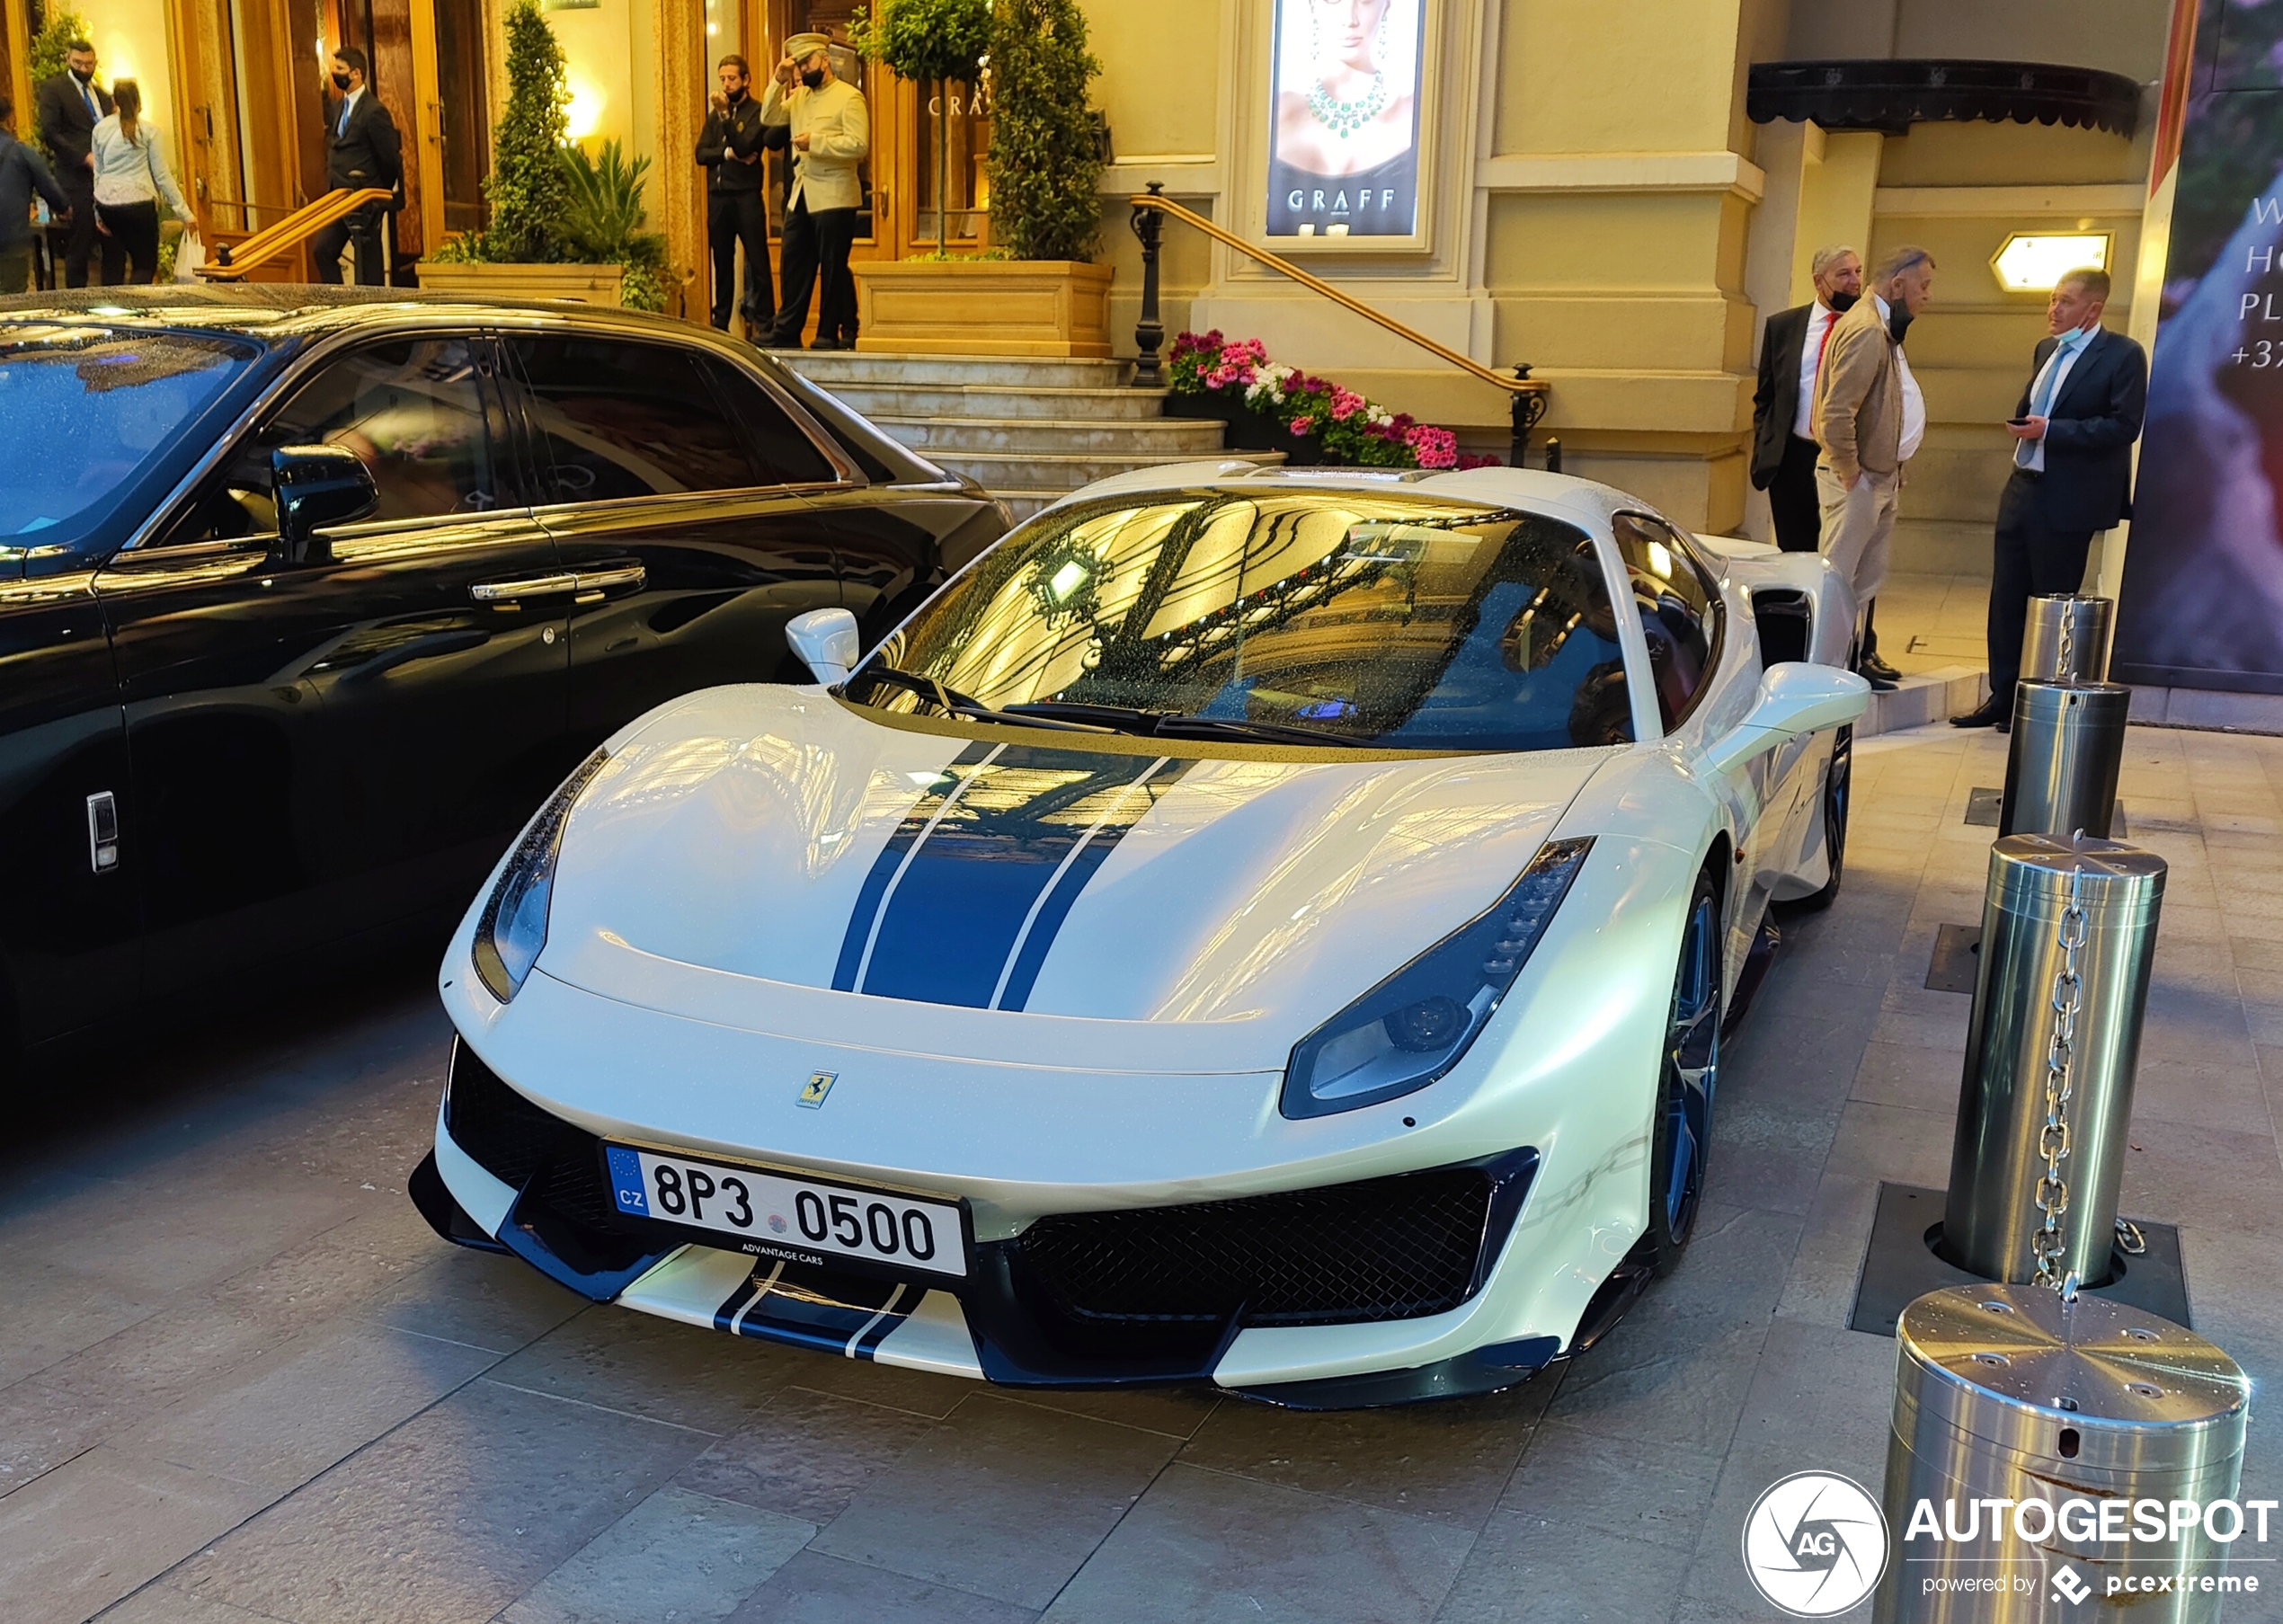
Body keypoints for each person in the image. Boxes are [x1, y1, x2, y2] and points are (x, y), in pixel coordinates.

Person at [1951, 266, 2147, 730]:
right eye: (2052, 300)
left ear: (2092, 308)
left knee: (2052, 605)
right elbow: (2034, 406)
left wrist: (2052, 431)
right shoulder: (2046, 349)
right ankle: (2002, 697)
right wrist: (2026, 425)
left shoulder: (2122, 355)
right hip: (2022, 489)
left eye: (2064, 301)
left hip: (2070, 499)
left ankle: (2037, 704)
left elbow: (2124, 426)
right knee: (2006, 599)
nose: (2052, 309)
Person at [1814, 244, 1937, 691]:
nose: (1927, 296)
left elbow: (1887, 403)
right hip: (1859, 480)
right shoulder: (1867, 329)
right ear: (1898, 284)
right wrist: (1851, 473)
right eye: (1923, 286)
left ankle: (1847, 669)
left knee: (1861, 585)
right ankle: (1821, 676)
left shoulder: (1883, 327)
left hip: (1879, 476)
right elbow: (1835, 413)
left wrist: (1894, 461)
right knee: (1836, 584)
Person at [1268, 0, 1418, 236]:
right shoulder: (1276, 114)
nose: (1350, 19)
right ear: (1312, 5)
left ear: (1387, 4)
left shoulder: (1411, 116)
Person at [1753, 245, 1863, 555]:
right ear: (1818, 281)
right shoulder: (1783, 327)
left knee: (1843, 551)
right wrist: (1766, 445)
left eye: (1857, 271)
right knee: (1795, 551)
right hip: (1793, 455)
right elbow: (1766, 395)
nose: (1854, 280)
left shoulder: (1868, 328)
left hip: (1845, 458)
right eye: (1843, 274)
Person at [762, 31, 868, 350]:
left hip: (835, 194)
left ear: (825, 60)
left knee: (833, 267)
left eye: (806, 62)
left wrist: (816, 144)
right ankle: (787, 330)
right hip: (802, 193)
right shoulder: (799, 97)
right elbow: (768, 117)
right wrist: (777, 80)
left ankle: (828, 333)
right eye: (797, 64)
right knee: (794, 263)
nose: (802, 70)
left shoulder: (849, 97)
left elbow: (859, 145)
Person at [697, 53, 777, 337]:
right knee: (722, 262)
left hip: (746, 196)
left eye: (732, 78)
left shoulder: (758, 112)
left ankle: (766, 324)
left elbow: (746, 147)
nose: (727, 84)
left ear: (746, 80)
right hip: (718, 197)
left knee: (758, 260)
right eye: (722, 79)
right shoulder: (713, 117)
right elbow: (700, 154)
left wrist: (726, 121)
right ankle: (720, 325)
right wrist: (726, 153)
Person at [313, 46, 402, 286]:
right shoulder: (338, 107)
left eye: (340, 69)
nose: (335, 73)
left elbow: (388, 158)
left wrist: (378, 193)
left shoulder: (374, 111)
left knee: (369, 266)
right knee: (323, 250)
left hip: (364, 200)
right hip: (338, 196)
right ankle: (339, 305)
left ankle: (372, 312)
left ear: (356, 73)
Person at [88, 80, 192, 286]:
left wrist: (97, 212)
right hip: (139, 203)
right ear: (138, 101)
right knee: (144, 265)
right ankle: (138, 310)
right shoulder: (149, 131)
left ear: (113, 100)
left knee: (112, 264)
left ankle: (110, 312)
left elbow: (98, 172)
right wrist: (184, 212)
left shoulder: (100, 129)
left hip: (107, 202)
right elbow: (161, 175)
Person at [34, 39, 110, 288]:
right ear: (68, 59)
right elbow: (50, 131)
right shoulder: (55, 89)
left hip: (108, 180)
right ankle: (75, 300)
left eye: (89, 64)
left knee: (113, 242)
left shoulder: (102, 96)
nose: (84, 69)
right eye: (78, 63)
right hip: (76, 180)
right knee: (81, 242)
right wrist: (83, 157)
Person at [0, 94, 72, 296]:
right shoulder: (21, 152)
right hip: (10, 238)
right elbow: (48, 186)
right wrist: (65, 209)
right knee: (11, 299)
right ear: (10, 119)